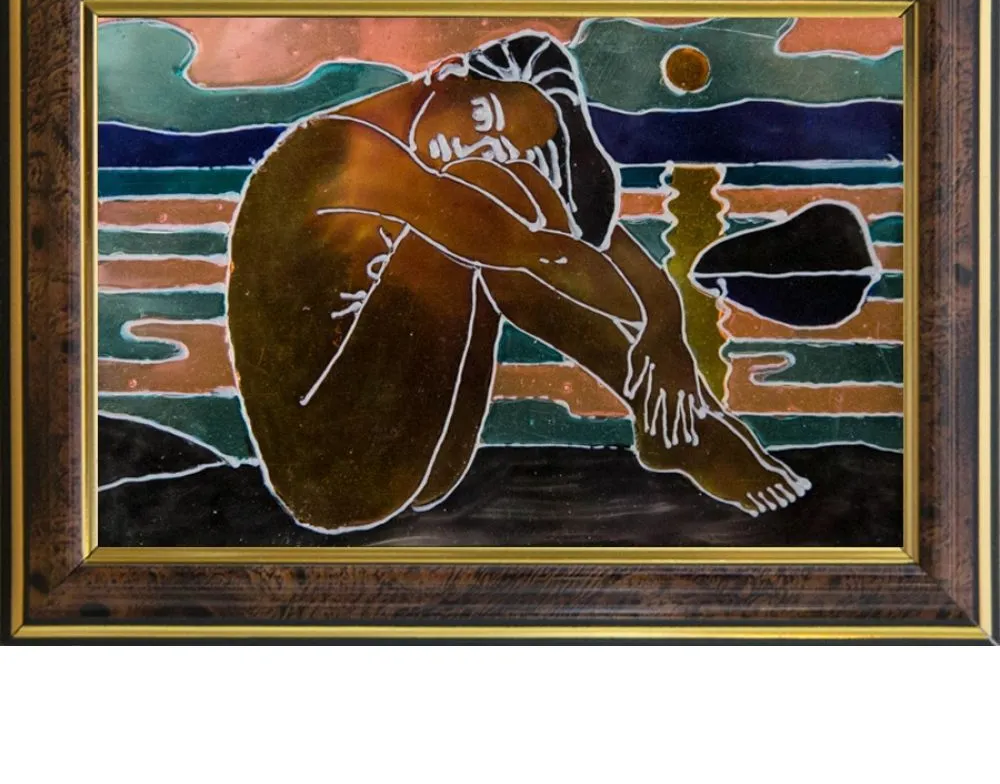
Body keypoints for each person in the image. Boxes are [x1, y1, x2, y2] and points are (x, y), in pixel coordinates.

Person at [227, 32, 810, 534]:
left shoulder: (454, 167)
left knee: (501, 197)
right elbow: (531, 249)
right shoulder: (340, 150)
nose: (480, 143)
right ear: (446, 76)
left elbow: (580, 238)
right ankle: (691, 435)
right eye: (484, 119)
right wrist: (650, 328)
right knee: (491, 201)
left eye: (505, 144)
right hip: (330, 475)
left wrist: (666, 332)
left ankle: (675, 431)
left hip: (420, 455)